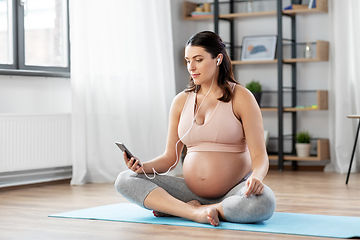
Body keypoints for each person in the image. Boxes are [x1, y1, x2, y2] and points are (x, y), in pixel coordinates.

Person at [115, 31, 276, 226]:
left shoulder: (241, 97)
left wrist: (257, 178)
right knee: (125, 179)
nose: (191, 67)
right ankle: (193, 212)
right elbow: (170, 159)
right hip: (189, 191)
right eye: (188, 60)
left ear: (218, 59)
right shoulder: (181, 101)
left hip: (234, 191)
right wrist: (142, 167)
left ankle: (190, 209)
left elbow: (259, 157)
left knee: (265, 202)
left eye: (198, 60)